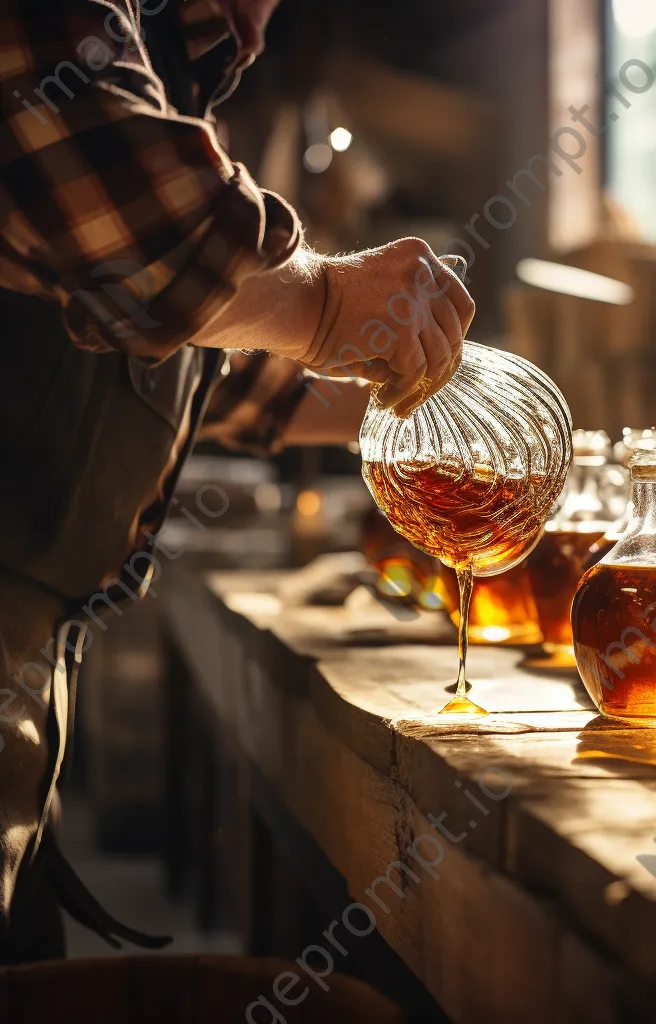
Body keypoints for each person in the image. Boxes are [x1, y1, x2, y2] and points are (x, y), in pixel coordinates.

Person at [0, 0, 474, 961]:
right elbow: (141, 244)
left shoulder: (177, 57)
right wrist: (335, 301)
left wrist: (420, 394)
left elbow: (197, 353)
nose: (260, 23)